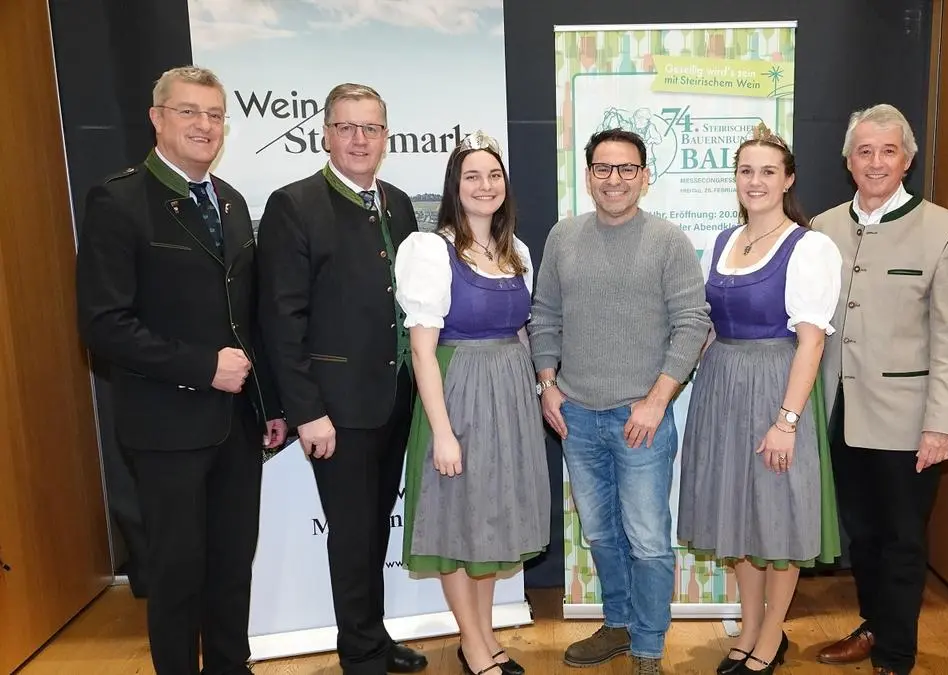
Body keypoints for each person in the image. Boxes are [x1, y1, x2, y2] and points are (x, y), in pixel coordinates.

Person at [75, 65, 287, 675]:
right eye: (189, 112)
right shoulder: (118, 201)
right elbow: (104, 325)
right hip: (165, 429)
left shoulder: (231, 201)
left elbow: (246, 318)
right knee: (176, 574)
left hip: (238, 427)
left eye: (215, 115)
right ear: (157, 118)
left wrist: (269, 404)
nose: (204, 125)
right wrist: (201, 367)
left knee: (230, 565)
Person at [256, 83, 427, 675]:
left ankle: (371, 638)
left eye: (371, 128)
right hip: (335, 409)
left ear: (387, 136)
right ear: (325, 134)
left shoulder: (399, 203)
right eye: (347, 127)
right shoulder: (293, 204)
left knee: (372, 531)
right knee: (352, 538)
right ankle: (360, 655)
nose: (360, 139)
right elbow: (282, 319)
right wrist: (306, 410)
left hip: (394, 400)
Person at [529, 128, 711, 675]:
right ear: (588, 176)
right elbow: (544, 318)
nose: (615, 179)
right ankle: (618, 623)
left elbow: (691, 324)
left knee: (649, 539)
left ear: (644, 176)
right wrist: (547, 386)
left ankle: (649, 647)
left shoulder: (669, 241)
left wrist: (657, 401)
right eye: (604, 169)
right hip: (577, 417)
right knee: (602, 533)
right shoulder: (563, 238)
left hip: (643, 420)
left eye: (627, 169)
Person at [677, 123, 843, 675]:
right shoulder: (727, 241)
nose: (755, 180)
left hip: (776, 385)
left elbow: (812, 340)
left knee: (779, 516)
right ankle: (747, 628)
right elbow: (707, 325)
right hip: (722, 386)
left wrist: (787, 421)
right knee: (740, 516)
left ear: (788, 179)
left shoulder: (810, 246)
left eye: (768, 171)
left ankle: (772, 636)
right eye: (746, 170)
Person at [811, 104, 948, 675]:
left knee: (903, 540)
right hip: (836, 412)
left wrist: (941, 425)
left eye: (888, 151)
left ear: (907, 159)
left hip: (907, 420)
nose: (875, 162)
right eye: (864, 151)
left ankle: (897, 655)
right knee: (863, 535)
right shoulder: (823, 228)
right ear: (848, 160)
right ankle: (873, 626)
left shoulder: (947, 231)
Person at [393, 130, 550, 675]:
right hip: (458, 392)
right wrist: (441, 431)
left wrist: (537, 391)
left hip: (507, 396)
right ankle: (475, 642)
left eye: (494, 175)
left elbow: (525, 334)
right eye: (472, 177)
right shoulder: (432, 251)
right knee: (459, 522)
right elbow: (421, 349)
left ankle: (482, 638)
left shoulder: (516, 251)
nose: (486, 186)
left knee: (488, 522)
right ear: (454, 188)